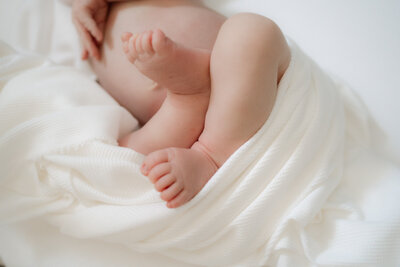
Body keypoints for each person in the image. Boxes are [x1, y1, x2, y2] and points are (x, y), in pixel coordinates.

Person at [72, 0, 291, 208]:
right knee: (113, 158)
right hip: (173, 120)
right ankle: (189, 100)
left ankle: (212, 155)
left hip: (235, 76)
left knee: (252, 31)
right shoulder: (75, 21)